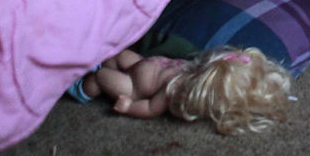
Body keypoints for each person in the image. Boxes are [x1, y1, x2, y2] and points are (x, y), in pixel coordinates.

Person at [67, 46, 295, 135]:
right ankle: (98, 60)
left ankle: (82, 90)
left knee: (101, 78)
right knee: (117, 54)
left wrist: (129, 106)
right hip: (138, 64)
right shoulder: (192, 68)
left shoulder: (174, 91)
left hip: (133, 87)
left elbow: (149, 108)